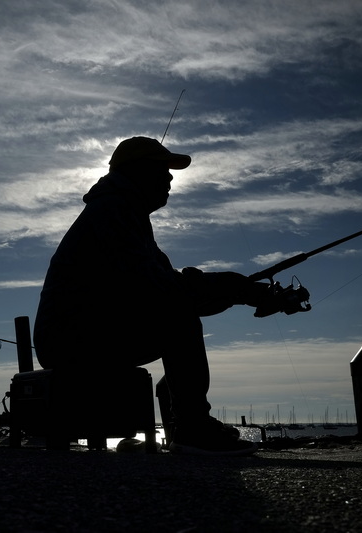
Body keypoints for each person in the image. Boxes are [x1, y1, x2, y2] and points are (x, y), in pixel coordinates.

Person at [33, 136, 274, 456]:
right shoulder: (113, 210)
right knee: (179, 319)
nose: (171, 178)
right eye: (163, 169)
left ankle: (189, 425)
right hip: (70, 341)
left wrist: (236, 292)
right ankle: (192, 427)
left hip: (83, 333)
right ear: (139, 171)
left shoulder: (122, 211)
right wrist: (236, 288)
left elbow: (165, 286)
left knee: (179, 312)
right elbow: (160, 289)